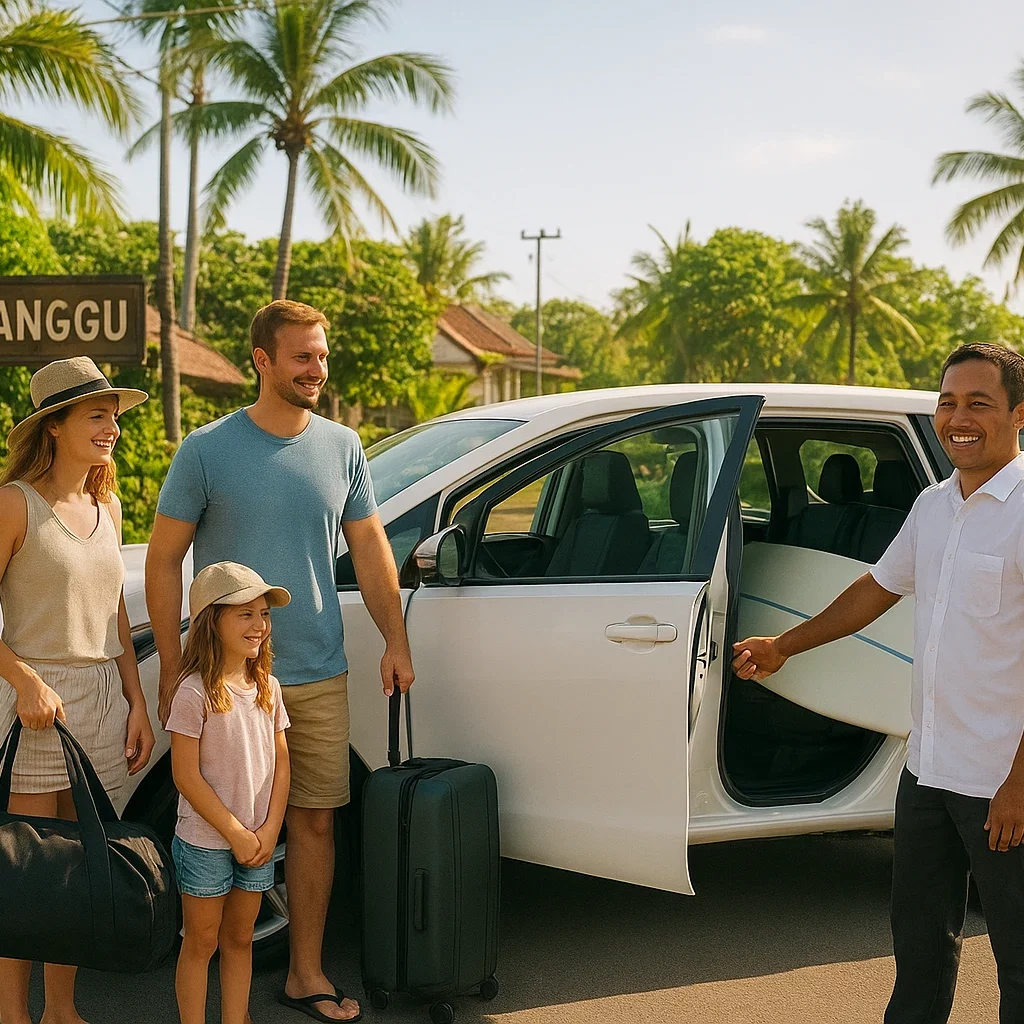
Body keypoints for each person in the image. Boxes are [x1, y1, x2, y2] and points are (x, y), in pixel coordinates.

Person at [733, 342, 1024, 1023]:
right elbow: (876, 588)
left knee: (1018, 956)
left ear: (1019, 414)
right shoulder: (933, 505)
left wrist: (1019, 778)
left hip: (1002, 780)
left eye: (979, 403)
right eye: (948, 401)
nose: (959, 417)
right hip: (928, 768)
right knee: (920, 943)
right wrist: (784, 646)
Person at [147, 299, 414, 1023]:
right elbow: (165, 558)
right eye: (301, 357)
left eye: (321, 356)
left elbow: (370, 547)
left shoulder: (344, 446)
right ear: (262, 361)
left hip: (314, 668)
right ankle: (209, 965)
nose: (316, 369)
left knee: (315, 823)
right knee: (220, 822)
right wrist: (175, 665)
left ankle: (305, 973)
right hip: (225, 682)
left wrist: (395, 639)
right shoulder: (207, 448)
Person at [0, 356, 155, 1024]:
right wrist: (24, 680)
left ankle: (60, 1010)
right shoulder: (14, 503)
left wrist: (138, 699)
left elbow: (115, 611)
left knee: (73, 869)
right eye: (97, 416)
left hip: (99, 703)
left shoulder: (107, 503)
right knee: (24, 873)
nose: (111, 428)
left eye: (113, 417)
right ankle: (12, 1015)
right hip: (36, 709)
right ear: (55, 425)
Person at [167, 561, 292, 1024]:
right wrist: (236, 833)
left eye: (264, 614)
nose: (259, 625)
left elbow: (282, 763)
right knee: (201, 941)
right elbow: (186, 776)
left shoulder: (268, 687)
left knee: (241, 938)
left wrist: (270, 827)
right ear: (211, 622)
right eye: (245, 614)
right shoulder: (193, 692)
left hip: (258, 840)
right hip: (206, 841)